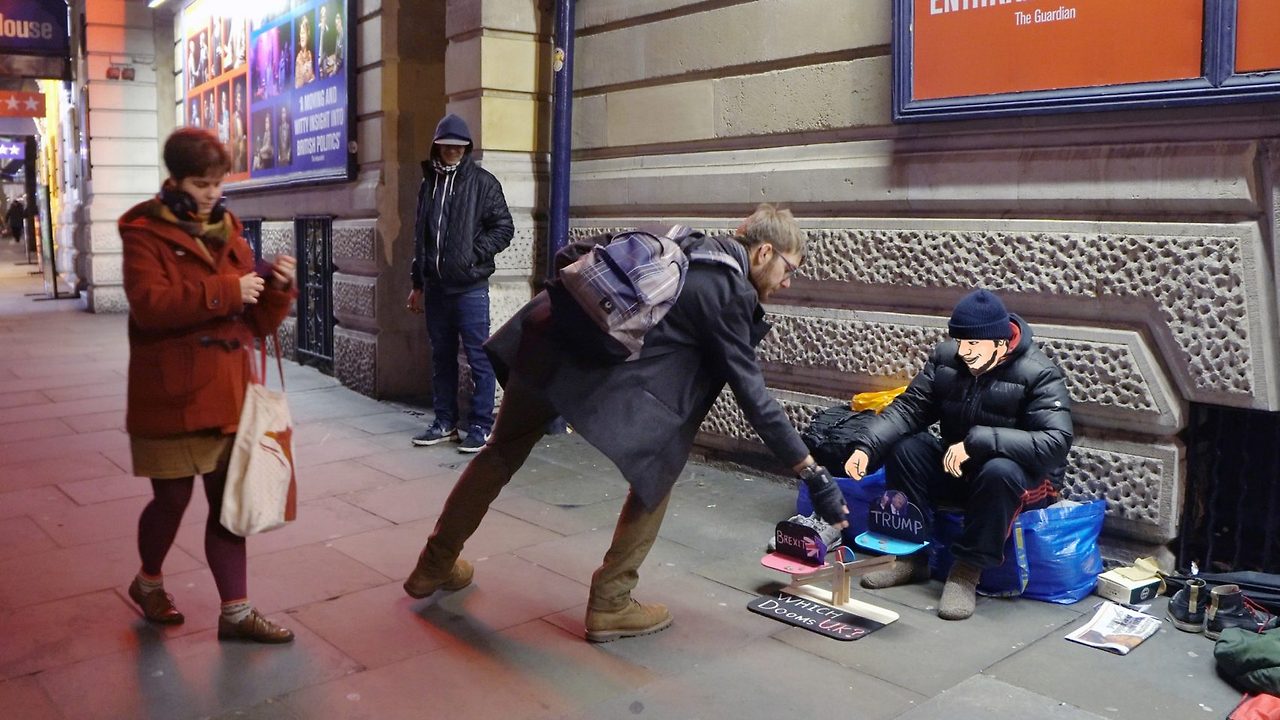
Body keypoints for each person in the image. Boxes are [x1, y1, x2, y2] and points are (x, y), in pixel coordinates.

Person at [402, 204, 851, 642]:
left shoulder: (678, 236)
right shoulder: (729, 292)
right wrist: (811, 472)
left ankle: (434, 564)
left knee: (499, 452)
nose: (788, 282)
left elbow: (571, 254)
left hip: (546, 346)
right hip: (584, 376)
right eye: (789, 268)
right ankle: (611, 601)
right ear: (764, 252)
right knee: (657, 475)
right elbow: (754, 396)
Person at [119, 128, 298, 643]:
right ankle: (148, 580)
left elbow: (257, 324)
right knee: (170, 502)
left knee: (229, 506)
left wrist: (277, 291)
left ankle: (236, 613)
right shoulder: (144, 233)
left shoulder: (228, 229)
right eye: (201, 184)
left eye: (217, 183)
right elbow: (150, 307)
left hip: (227, 394)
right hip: (171, 396)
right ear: (174, 179)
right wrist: (227, 290)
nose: (211, 194)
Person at [843, 288, 1072, 621]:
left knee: (1000, 470)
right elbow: (909, 409)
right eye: (961, 343)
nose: (964, 352)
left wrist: (979, 441)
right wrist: (867, 446)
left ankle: (966, 572)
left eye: (973, 345)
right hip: (959, 468)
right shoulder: (947, 359)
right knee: (907, 448)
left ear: (1000, 343)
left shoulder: (1038, 373)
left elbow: (1056, 442)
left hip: (1018, 483)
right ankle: (912, 557)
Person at [406, 114, 514, 452]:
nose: (452, 151)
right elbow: (421, 238)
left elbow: (504, 228)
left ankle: (481, 425)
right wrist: (417, 282)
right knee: (442, 357)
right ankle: (445, 422)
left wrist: (471, 254)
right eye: (447, 145)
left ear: (467, 148)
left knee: (480, 358)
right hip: (436, 287)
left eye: (459, 146)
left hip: (469, 288)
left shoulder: (482, 183)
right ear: (437, 147)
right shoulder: (429, 184)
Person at [294, 15, 315, 88]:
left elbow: (313, 76)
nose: (301, 36)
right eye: (300, 33)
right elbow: (298, 85)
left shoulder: (310, 54)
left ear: (308, 35)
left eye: (303, 33)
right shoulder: (298, 58)